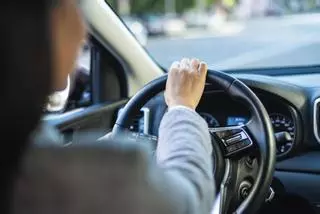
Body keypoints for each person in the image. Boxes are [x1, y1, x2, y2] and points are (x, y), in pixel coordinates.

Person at [3, 0, 215, 213]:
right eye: (76, 8)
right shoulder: (104, 177)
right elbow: (191, 199)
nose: (84, 32)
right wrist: (181, 107)